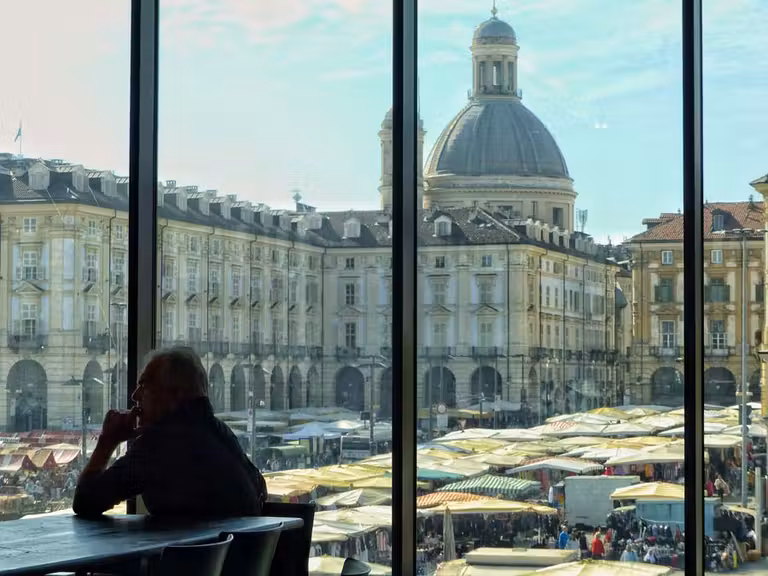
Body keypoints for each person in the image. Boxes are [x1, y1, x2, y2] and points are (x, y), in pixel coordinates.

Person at [73, 346, 268, 518]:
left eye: (144, 386)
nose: (134, 396)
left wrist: (107, 442)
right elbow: (259, 488)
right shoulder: (220, 433)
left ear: (175, 394)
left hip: (192, 560)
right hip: (236, 558)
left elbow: (85, 501)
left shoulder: (161, 444)